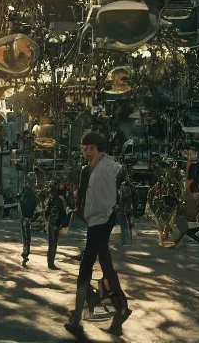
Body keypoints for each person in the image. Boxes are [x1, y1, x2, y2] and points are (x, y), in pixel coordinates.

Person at [65, 132, 130, 335]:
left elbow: (120, 190)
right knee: (105, 262)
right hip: (94, 220)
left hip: (104, 220)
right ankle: (121, 306)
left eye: (90, 148)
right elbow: (83, 195)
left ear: (99, 148)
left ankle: (77, 316)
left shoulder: (111, 167)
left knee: (86, 266)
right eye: (83, 148)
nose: (86, 152)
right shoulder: (87, 170)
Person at [45, 180, 69, 270]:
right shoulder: (58, 199)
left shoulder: (50, 199)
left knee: (52, 243)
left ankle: (50, 262)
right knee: (53, 244)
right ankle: (51, 263)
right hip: (55, 223)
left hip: (52, 223)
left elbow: (46, 213)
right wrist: (63, 223)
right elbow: (62, 212)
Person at [18, 173, 38, 266]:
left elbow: (31, 204)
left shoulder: (28, 191)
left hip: (26, 217)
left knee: (26, 236)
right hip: (26, 217)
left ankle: (26, 252)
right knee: (26, 236)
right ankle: (25, 252)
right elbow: (22, 202)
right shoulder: (28, 191)